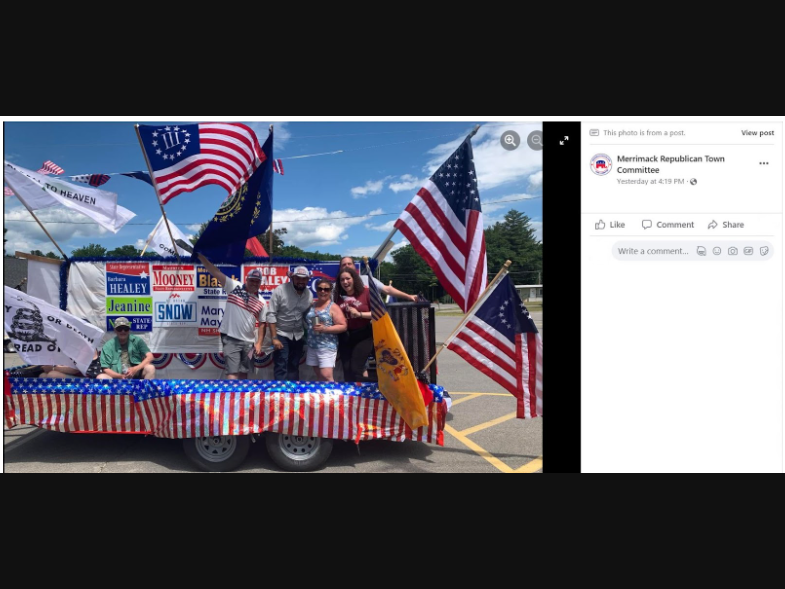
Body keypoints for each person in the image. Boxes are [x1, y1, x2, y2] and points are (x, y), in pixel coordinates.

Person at [198, 253, 268, 380]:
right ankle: (231, 399)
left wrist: (259, 343)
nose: (254, 283)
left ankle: (241, 400)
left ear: (260, 283)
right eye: (252, 280)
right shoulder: (234, 287)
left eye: (257, 281)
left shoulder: (262, 302)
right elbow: (215, 272)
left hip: (249, 342)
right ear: (246, 280)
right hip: (231, 338)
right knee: (233, 373)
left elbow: (263, 323)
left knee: (244, 373)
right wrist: (202, 257)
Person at [267, 266, 313, 381]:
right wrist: (274, 337)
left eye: (304, 279)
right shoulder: (280, 290)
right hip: (281, 334)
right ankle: (279, 395)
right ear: (292, 277)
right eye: (298, 278)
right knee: (281, 365)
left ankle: (293, 395)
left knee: (294, 366)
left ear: (308, 280)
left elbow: (306, 316)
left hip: (298, 335)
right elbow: (271, 314)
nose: (301, 281)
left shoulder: (309, 295)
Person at [334, 267, 375, 382]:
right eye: (342, 280)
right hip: (345, 336)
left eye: (348, 278)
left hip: (363, 335)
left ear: (354, 279)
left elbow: (378, 313)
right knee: (347, 369)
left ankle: (369, 393)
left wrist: (360, 314)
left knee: (356, 369)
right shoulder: (338, 297)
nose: (345, 282)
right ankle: (350, 398)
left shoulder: (366, 292)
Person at [304, 279, 347, 382]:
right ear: (317, 290)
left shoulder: (333, 307)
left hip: (327, 346)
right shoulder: (313, 305)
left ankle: (335, 396)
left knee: (326, 376)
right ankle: (324, 396)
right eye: (320, 289)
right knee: (319, 376)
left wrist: (325, 329)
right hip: (312, 346)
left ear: (330, 291)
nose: (323, 291)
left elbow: (343, 326)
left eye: (326, 289)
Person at [339, 256, 418, 302]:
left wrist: (409, 296)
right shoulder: (336, 286)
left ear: (354, 266)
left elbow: (387, 289)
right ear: (340, 268)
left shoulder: (367, 279)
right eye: (344, 264)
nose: (347, 266)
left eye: (349, 264)